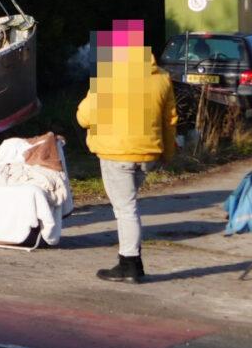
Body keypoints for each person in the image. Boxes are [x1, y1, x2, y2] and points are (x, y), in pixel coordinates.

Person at [76, 18, 178, 283]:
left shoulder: (110, 77)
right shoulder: (162, 78)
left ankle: (129, 263)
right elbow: (170, 120)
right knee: (129, 205)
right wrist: (167, 154)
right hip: (148, 154)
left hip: (116, 153)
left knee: (125, 209)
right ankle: (135, 262)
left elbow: (85, 117)